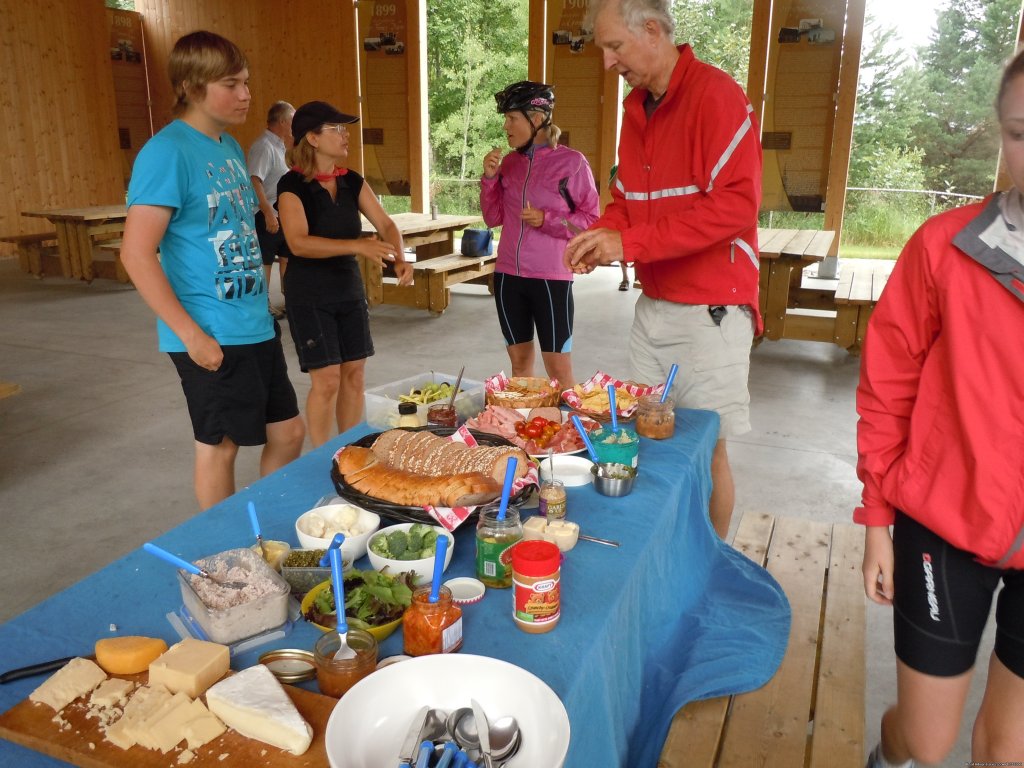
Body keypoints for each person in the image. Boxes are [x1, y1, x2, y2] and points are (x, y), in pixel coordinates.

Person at [856, 49, 1024, 768]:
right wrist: (876, 520)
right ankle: (883, 753)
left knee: (1008, 746)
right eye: (1020, 131)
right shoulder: (943, 249)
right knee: (925, 741)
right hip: (944, 525)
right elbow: (887, 388)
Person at [564, 0, 763, 538]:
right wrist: (604, 234)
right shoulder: (637, 109)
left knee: (706, 449)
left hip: (710, 314)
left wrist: (629, 241)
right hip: (654, 308)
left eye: (615, 46)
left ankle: (711, 566)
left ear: (652, 30)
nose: (608, 62)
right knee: (643, 440)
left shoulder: (716, 96)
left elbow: (736, 206)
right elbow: (626, 199)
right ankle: (665, 557)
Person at [120, 31, 305, 511]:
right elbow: (136, 255)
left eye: (246, 82)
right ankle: (225, 558)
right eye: (232, 84)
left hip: (253, 322)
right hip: (208, 330)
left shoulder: (224, 146)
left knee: (288, 433)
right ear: (192, 85)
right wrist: (190, 335)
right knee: (220, 446)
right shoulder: (167, 152)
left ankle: (267, 532)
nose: (246, 94)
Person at [277, 101, 412, 446]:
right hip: (309, 294)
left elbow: (385, 223)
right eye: (336, 129)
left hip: (347, 289)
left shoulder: (351, 180)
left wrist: (400, 257)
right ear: (312, 137)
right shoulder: (290, 185)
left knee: (354, 375)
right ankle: (322, 455)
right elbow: (298, 242)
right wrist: (358, 245)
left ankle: (347, 447)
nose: (345, 134)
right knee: (327, 381)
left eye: (345, 128)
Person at [480, 81, 599, 387]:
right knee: (520, 366)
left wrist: (547, 220)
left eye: (512, 118)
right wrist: (490, 180)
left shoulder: (572, 163)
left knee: (558, 371)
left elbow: (590, 221)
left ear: (535, 119)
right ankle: (527, 432)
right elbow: (493, 218)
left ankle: (570, 434)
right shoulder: (509, 163)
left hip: (551, 279)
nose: (506, 126)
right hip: (508, 277)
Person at [248, 100, 295, 318]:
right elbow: (255, 180)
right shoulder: (264, 146)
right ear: (284, 121)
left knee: (286, 256)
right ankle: (262, 304)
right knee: (265, 259)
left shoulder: (280, 145)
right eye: (293, 120)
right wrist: (267, 212)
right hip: (266, 214)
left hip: (281, 212)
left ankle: (291, 300)